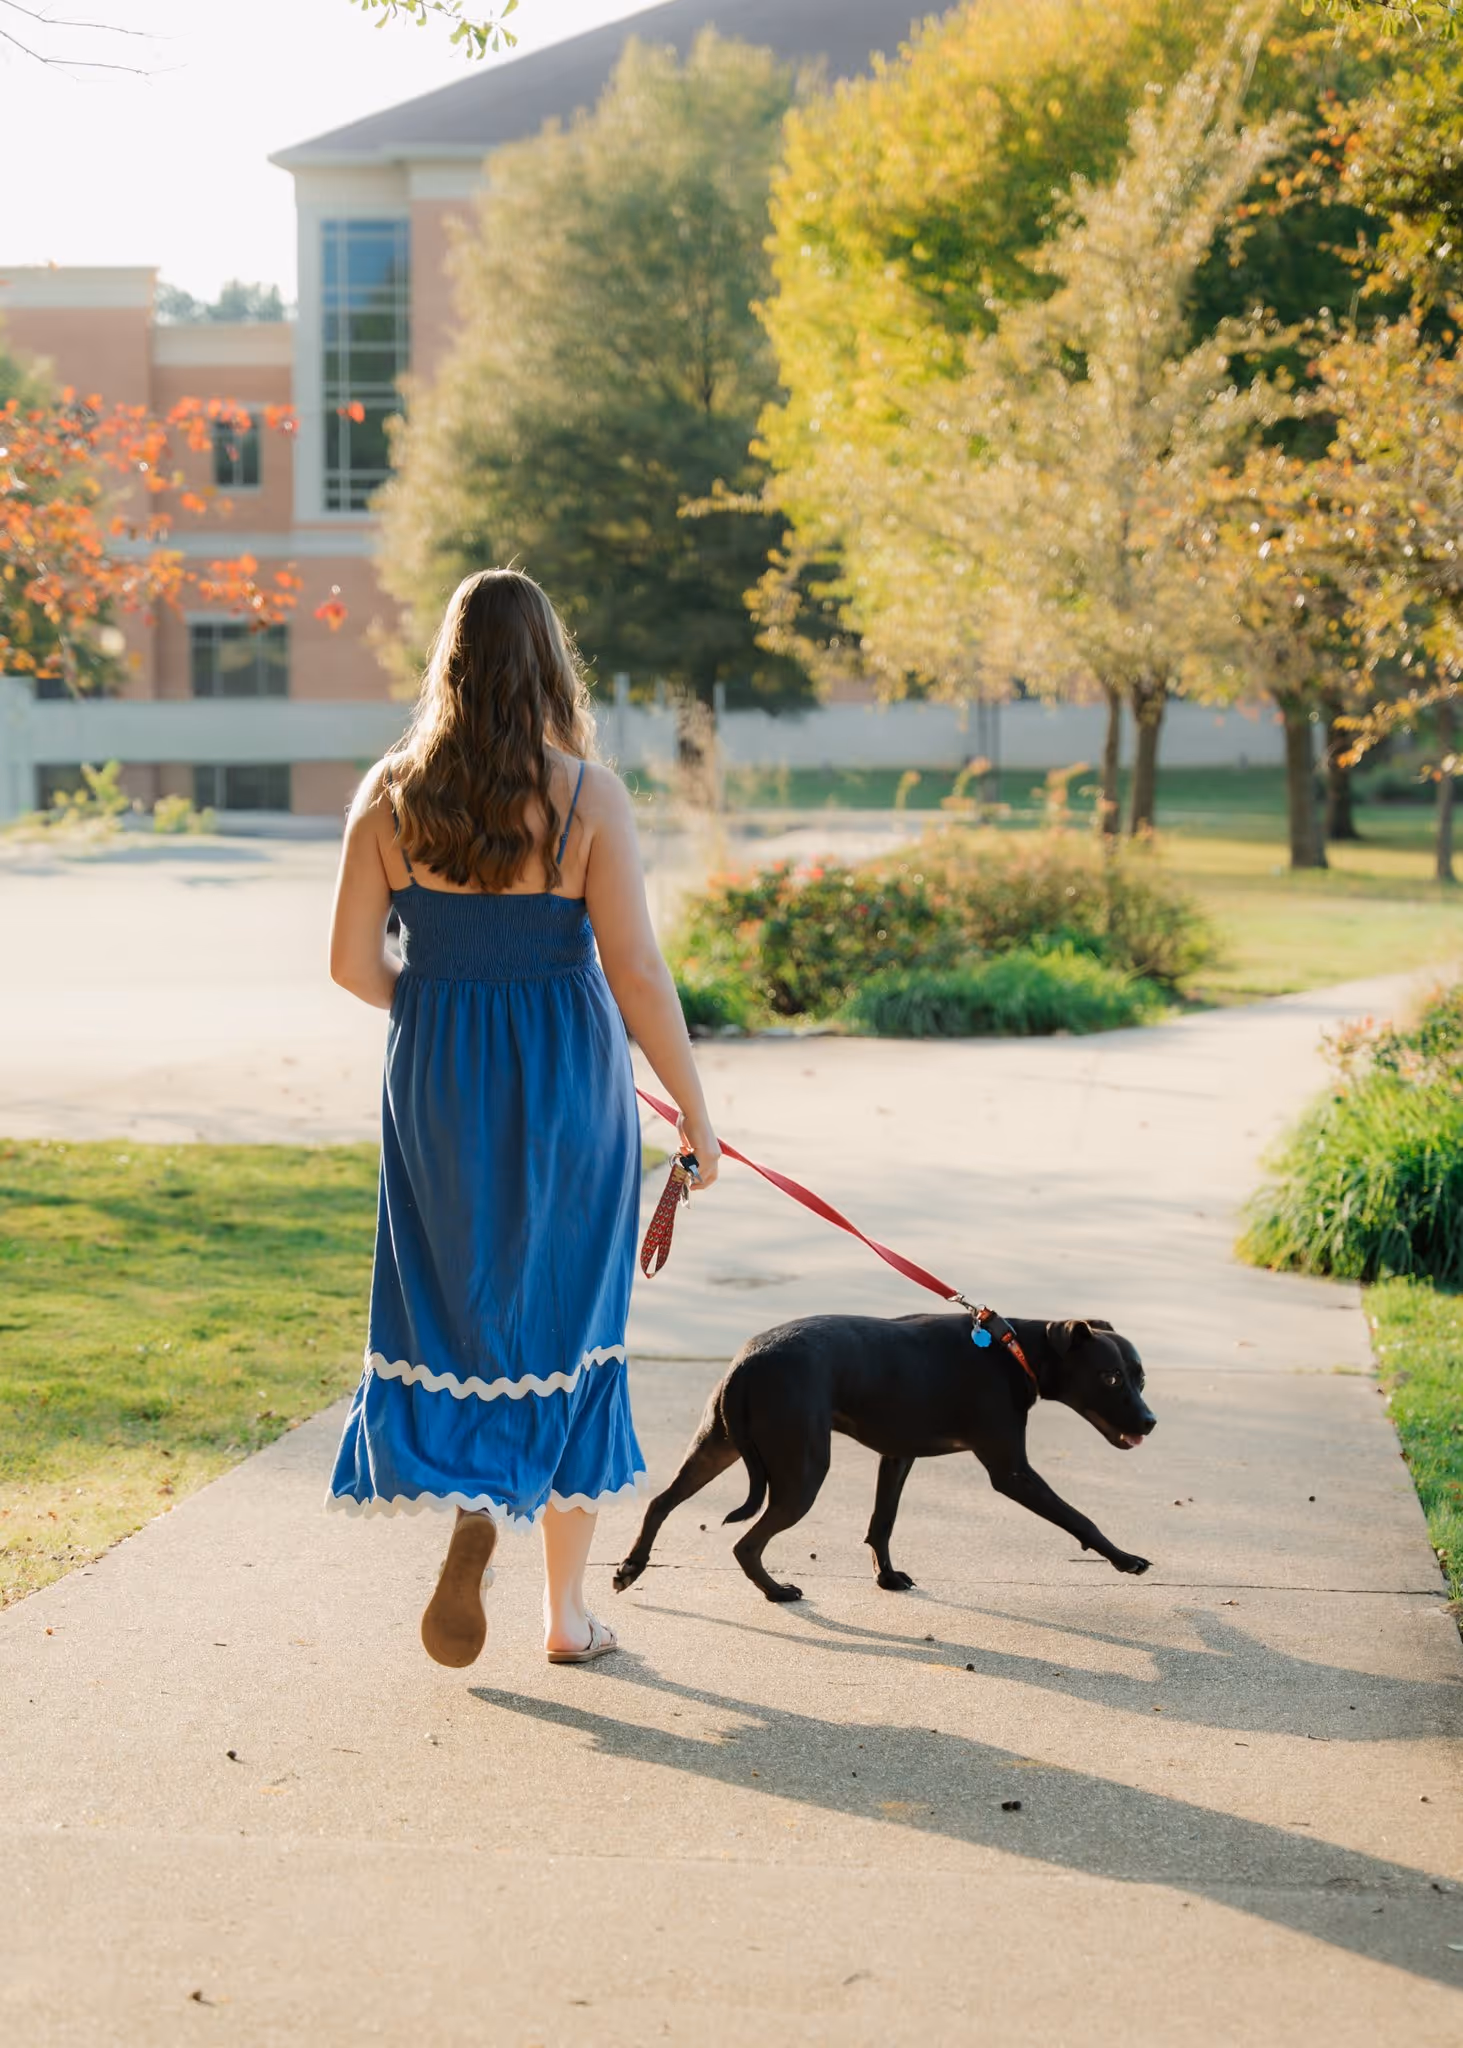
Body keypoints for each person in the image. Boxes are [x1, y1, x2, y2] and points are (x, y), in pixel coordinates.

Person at [325, 567, 720, 1668]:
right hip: (566, 1082)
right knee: (566, 1318)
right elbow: (636, 969)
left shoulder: (390, 795)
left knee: (456, 1309)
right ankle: (563, 1614)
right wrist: (695, 1113)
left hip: (437, 1080)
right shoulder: (587, 797)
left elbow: (352, 964)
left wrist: (442, 1009)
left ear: (446, 666)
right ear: (549, 666)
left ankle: (468, 1498)